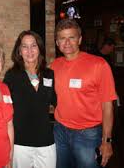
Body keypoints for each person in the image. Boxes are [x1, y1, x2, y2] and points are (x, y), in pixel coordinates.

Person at [50, 19, 117, 168]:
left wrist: (107, 141)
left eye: (71, 37)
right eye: (62, 38)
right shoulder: (55, 65)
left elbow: (107, 106)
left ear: (79, 39)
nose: (67, 42)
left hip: (88, 135)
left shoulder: (99, 65)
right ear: (57, 42)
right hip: (60, 131)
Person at [3, 30, 57, 168]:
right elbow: (4, 109)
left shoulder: (49, 74)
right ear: (19, 51)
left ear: (39, 48)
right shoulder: (12, 76)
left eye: (33, 46)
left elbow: (56, 101)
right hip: (21, 142)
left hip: (46, 140)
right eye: (24, 46)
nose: (29, 50)